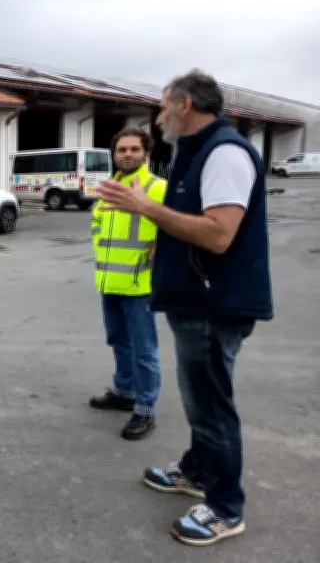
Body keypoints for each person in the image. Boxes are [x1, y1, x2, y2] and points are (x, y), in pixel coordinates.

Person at [95, 69, 273, 547]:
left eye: (162, 106)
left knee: (212, 405)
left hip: (216, 305)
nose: (158, 117)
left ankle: (225, 508)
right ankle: (196, 470)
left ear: (185, 105)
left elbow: (219, 233)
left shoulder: (226, 153)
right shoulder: (195, 153)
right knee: (199, 397)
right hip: (196, 302)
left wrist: (147, 209)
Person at [89, 127, 167, 440]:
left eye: (134, 149)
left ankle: (145, 408)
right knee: (118, 341)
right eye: (122, 150)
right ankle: (125, 391)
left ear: (146, 153)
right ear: (114, 154)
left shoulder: (158, 187)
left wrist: (159, 249)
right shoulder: (109, 188)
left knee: (144, 350)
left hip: (140, 284)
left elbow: (172, 226)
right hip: (110, 281)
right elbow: (97, 223)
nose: (128, 154)